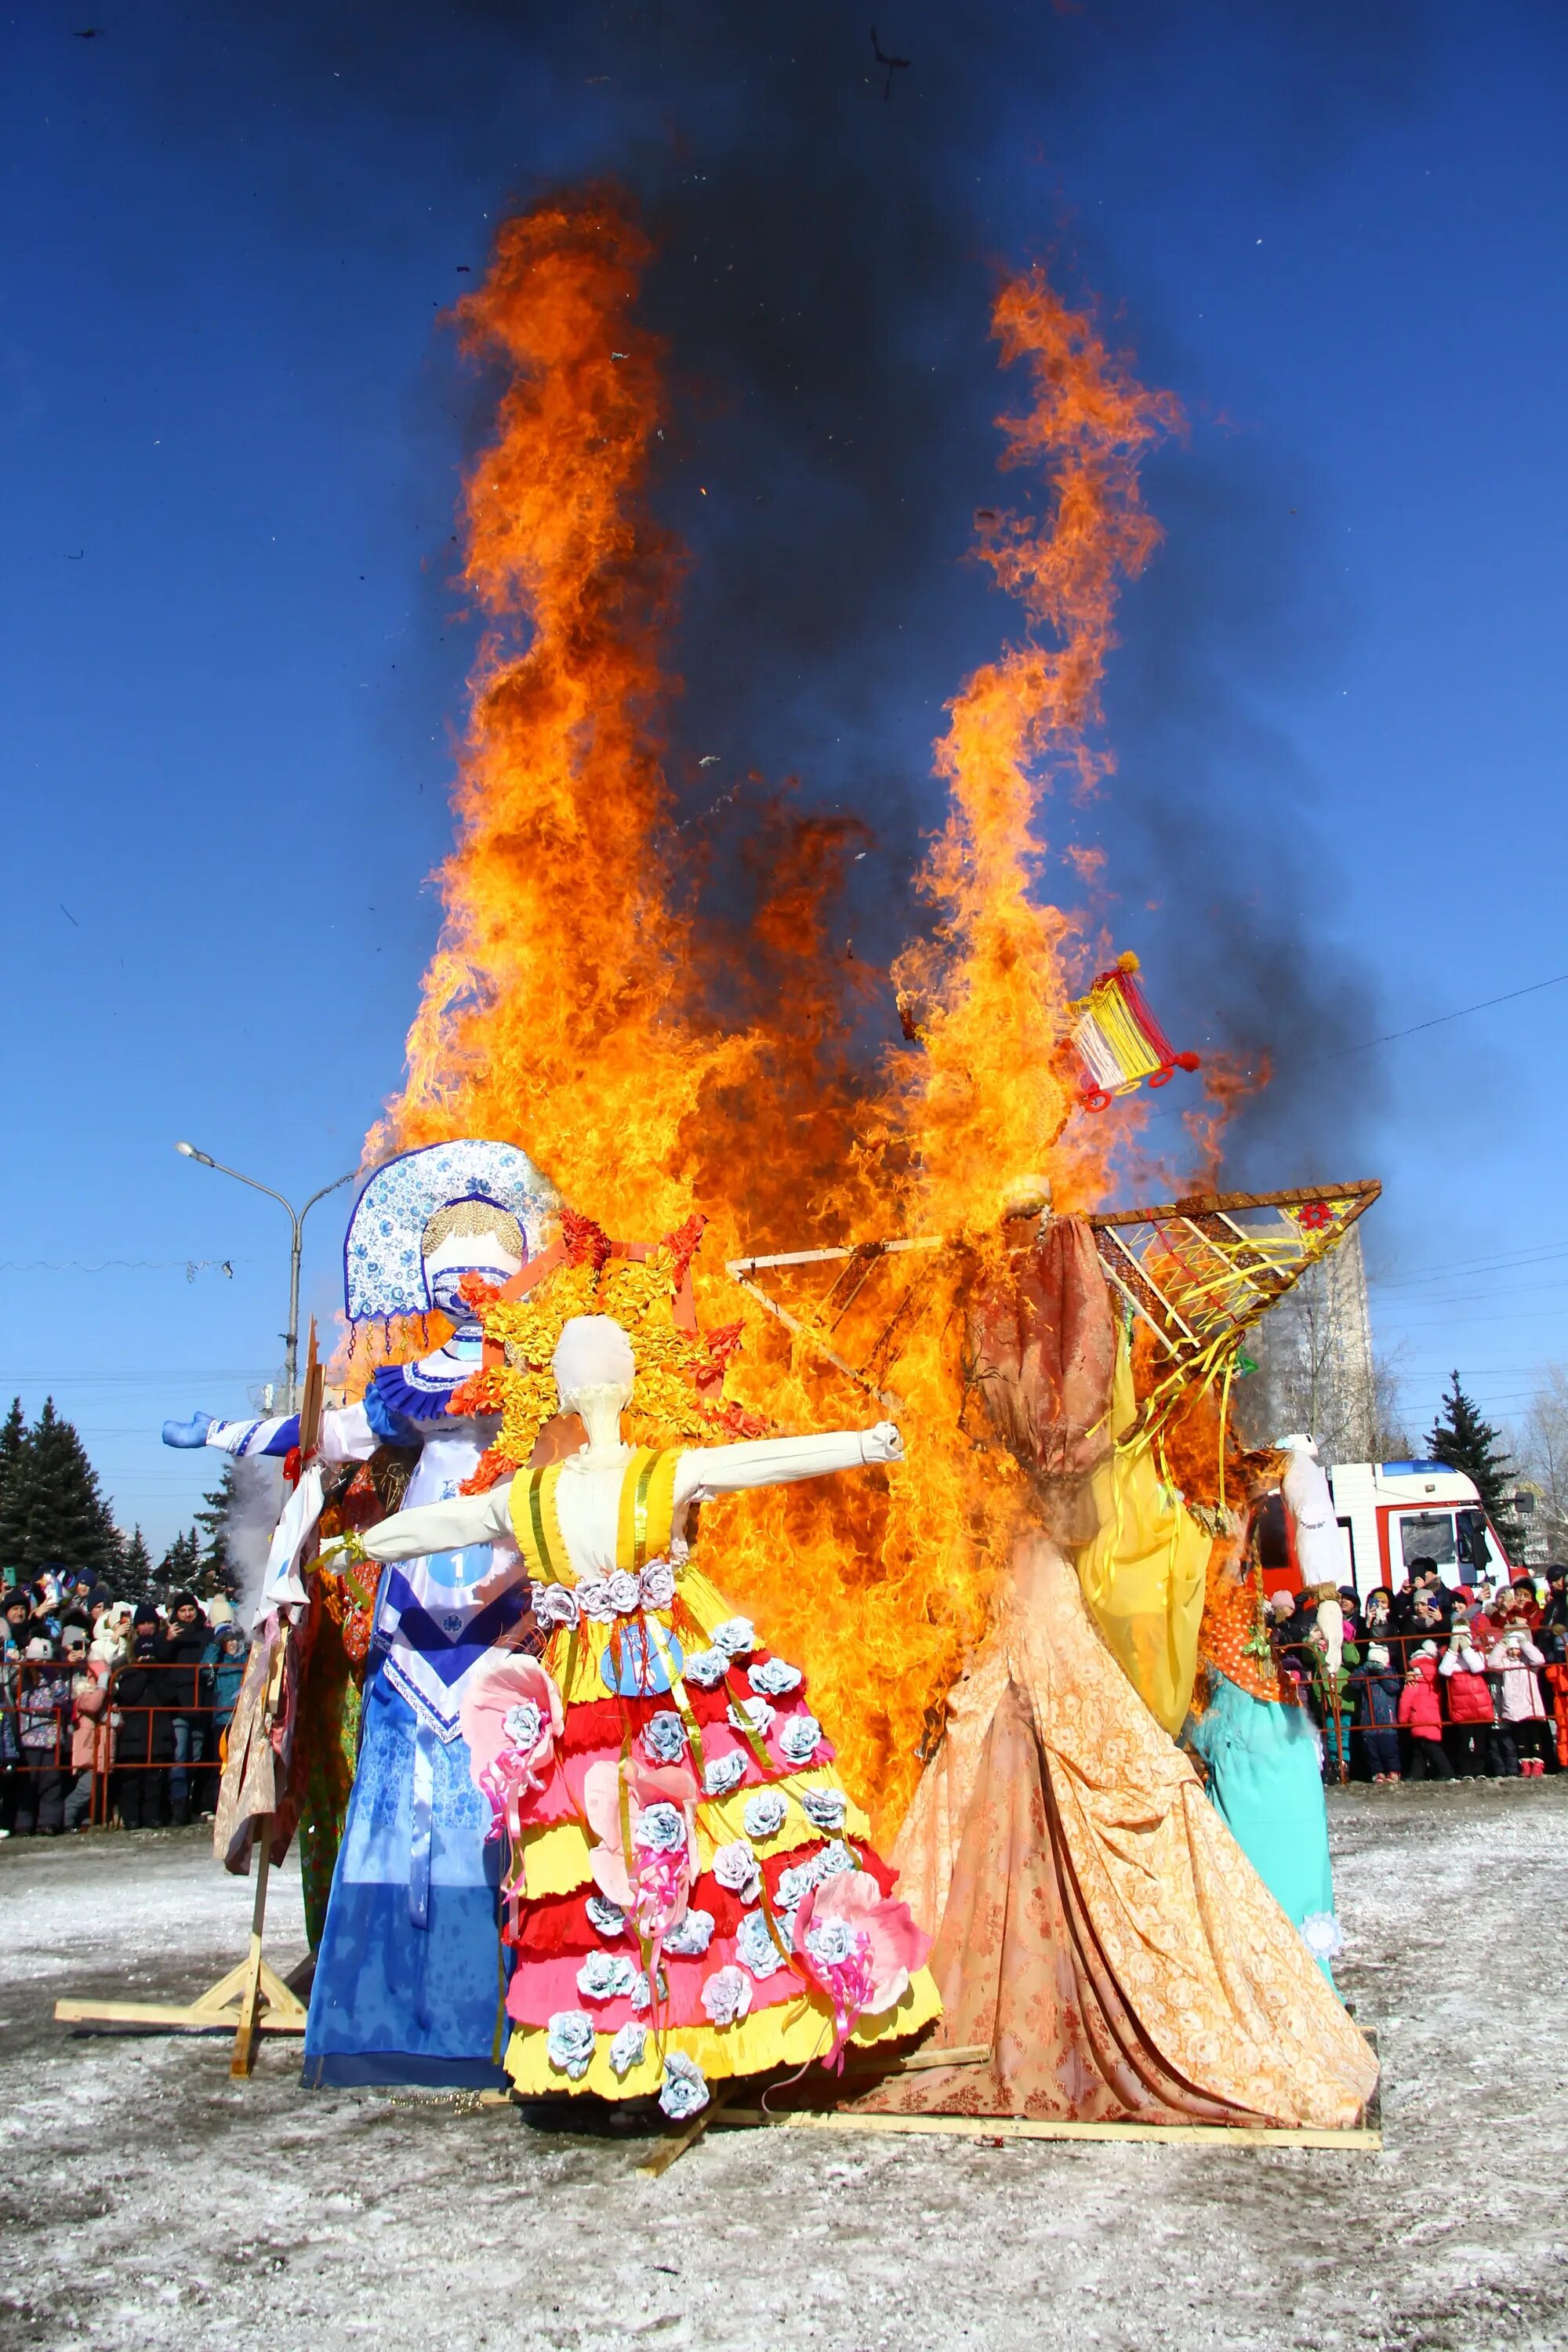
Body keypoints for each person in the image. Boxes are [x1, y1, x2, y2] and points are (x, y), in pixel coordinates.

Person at [342, 1312, 938, 2113]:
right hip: (673, 1683)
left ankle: (634, 2044)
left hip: (594, 1693)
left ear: (558, 1390)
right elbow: (758, 1462)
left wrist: (358, 1547)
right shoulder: (659, 1474)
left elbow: (433, 1526)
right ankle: (709, 2032)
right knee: (704, 1832)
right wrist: (864, 1443)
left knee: (609, 1855)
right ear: (625, 1386)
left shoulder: (531, 1494)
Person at [113, 1609, 175, 1828]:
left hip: (158, 1733)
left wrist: (155, 1671)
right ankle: (130, 1818)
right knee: (131, 1780)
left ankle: (152, 1816)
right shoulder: (128, 1672)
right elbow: (128, 1696)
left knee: (155, 1780)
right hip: (133, 1736)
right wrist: (141, 1670)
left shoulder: (162, 1673)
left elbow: (169, 1697)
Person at [160, 1592, 211, 1827]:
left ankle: (192, 1804)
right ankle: (177, 1806)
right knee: (180, 1755)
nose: (188, 1614)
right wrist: (167, 1641)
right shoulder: (170, 1636)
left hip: (200, 1702)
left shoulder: (205, 1634)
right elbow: (158, 1662)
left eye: (191, 1609)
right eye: (183, 1611)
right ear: (176, 1614)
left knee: (197, 1756)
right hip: (179, 1703)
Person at [14, 1637, 71, 1834]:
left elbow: (63, 1698)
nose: (43, 1666)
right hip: (28, 1738)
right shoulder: (22, 1677)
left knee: (51, 1782)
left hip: (51, 1738)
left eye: (47, 1661)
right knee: (28, 1782)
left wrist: (54, 1677)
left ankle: (49, 1822)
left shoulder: (55, 1678)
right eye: (40, 1662)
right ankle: (24, 1823)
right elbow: (18, 1695)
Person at [1486, 1622, 1551, 1776]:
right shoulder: (1505, 1663)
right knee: (1520, 1738)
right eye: (1512, 1649)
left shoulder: (1529, 1663)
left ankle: (1537, 1764)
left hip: (1530, 1705)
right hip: (1514, 1707)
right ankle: (1525, 1764)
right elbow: (1492, 1662)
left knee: (1534, 1736)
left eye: (1517, 1649)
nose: (1514, 1652)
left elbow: (1539, 1659)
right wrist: (1502, 1645)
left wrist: (1524, 1642)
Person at [1439, 1624, 1495, 1778]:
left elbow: (1477, 1667)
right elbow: (1444, 1670)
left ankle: (1480, 1770)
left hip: (1479, 1703)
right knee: (1464, 1741)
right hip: (1461, 1705)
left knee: (1480, 1741)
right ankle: (1466, 1771)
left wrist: (1466, 1648)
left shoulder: (1476, 1652)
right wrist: (1452, 1649)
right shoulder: (1449, 1655)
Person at [1347, 1640, 1402, 1782]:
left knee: (1389, 1748)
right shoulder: (1365, 1674)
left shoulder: (1390, 1672)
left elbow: (1393, 1687)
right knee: (1371, 1749)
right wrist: (1365, 1669)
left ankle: (1393, 1771)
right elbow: (1353, 1682)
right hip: (1368, 1719)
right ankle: (1377, 1772)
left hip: (1387, 1720)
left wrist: (1382, 1672)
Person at [1398, 1642, 1454, 1781]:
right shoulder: (1434, 1680)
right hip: (1433, 1719)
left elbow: (1405, 1700)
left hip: (1419, 1720)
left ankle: (1447, 1771)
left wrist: (1402, 1720)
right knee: (1421, 1749)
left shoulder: (1414, 1681)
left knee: (1429, 1748)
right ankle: (1416, 1774)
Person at [1537, 1567, 1568, 1769]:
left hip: (1561, 1665)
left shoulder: (1562, 1603)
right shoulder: (1553, 1605)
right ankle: (1564, 1761)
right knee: (1562, 1719)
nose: (1553, 1585)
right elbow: (1546, 1631)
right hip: (1556, 1670)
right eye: (1550, 1582)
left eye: (1557, 1581)